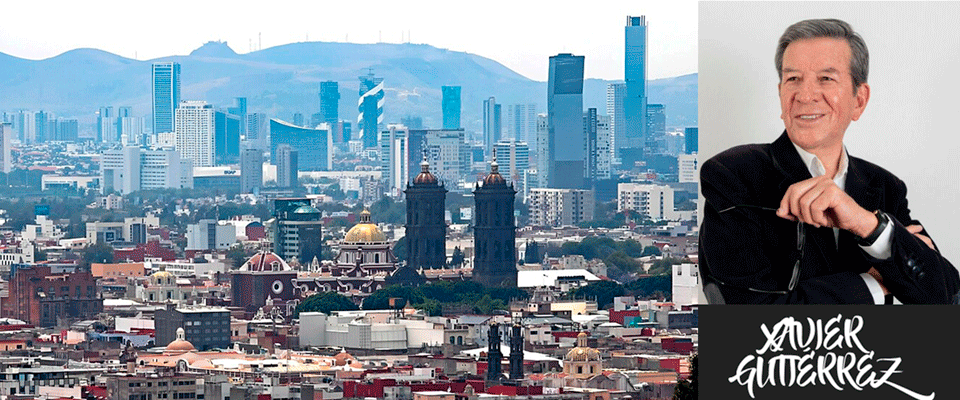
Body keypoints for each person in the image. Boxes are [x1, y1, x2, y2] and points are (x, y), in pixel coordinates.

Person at [699, 18, 960, 304]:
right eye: (793, 79)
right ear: (780, 93)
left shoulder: (885, 187)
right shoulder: (734, 176)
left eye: (826, 78)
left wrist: (867, 224)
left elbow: (945, 296)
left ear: (859, 100)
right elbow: (750, 318)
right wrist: (874, 283)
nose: (805, 95)